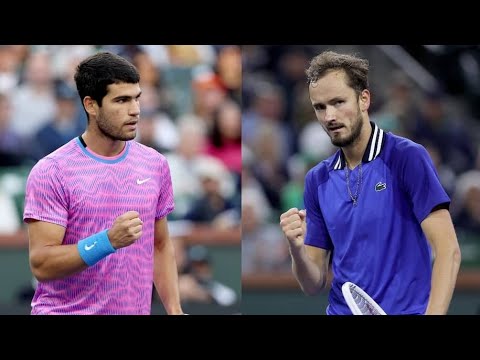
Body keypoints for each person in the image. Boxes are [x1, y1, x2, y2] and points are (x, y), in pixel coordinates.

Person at [279, 51, 461, 315]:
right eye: (320, 107)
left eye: (338, 102)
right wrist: (296, 249)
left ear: (364, 99)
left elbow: (448, 251)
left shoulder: (406, 157)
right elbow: (313, 283)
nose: (329, 116)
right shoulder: (316, 180)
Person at [23, 51, 184, 315]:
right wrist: (107, 241)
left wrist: (175, 310)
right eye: (121, 100)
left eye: (136, 98)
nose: (134, 110)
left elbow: (160, 244)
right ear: (91, 105)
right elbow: (42, 264)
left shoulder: (155, 164)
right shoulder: (51, 171)